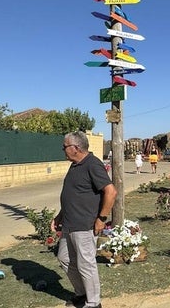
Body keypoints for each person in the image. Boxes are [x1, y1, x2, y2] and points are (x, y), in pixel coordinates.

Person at [51, 131, 117, 308]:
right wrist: (59, 216)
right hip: (69, 224)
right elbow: (73, 195)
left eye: (64, 146)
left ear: (76, 148)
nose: (63, 150)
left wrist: (101, 219)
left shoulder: (92, 164)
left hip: (85, 225)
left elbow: (111, 192)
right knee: (64, 258)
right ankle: (81, 294)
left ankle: (94, 303)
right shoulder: (75, 165)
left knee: (86, 265)